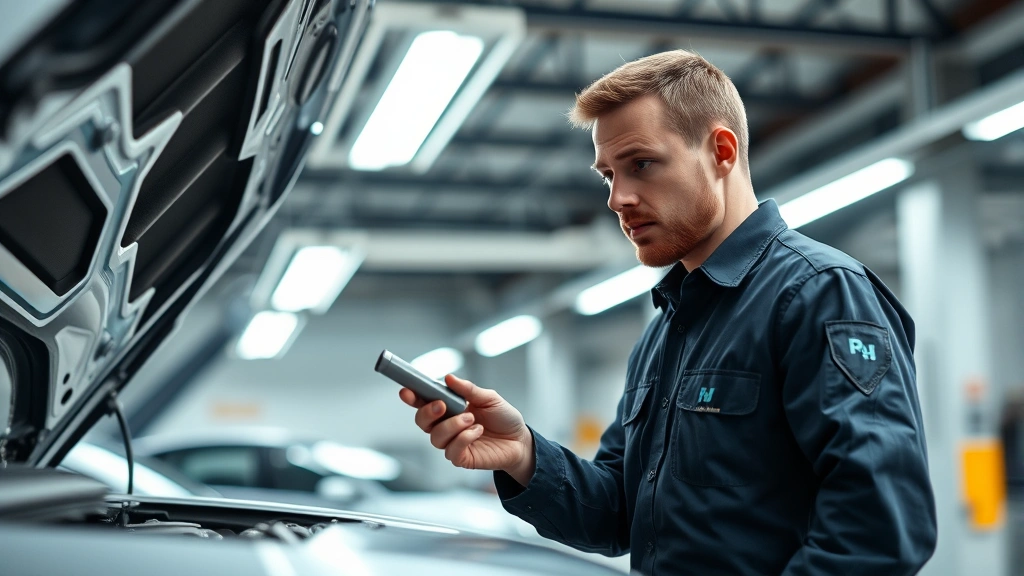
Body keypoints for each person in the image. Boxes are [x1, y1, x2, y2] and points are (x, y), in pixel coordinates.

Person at [399, 50, 937, 575]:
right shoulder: (665, 333)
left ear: (721, 151)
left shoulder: (818, 294)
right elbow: (619, 516)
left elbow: (878, 530)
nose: (617, 198)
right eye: (608, 174)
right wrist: (523, 455)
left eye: (641, 165)